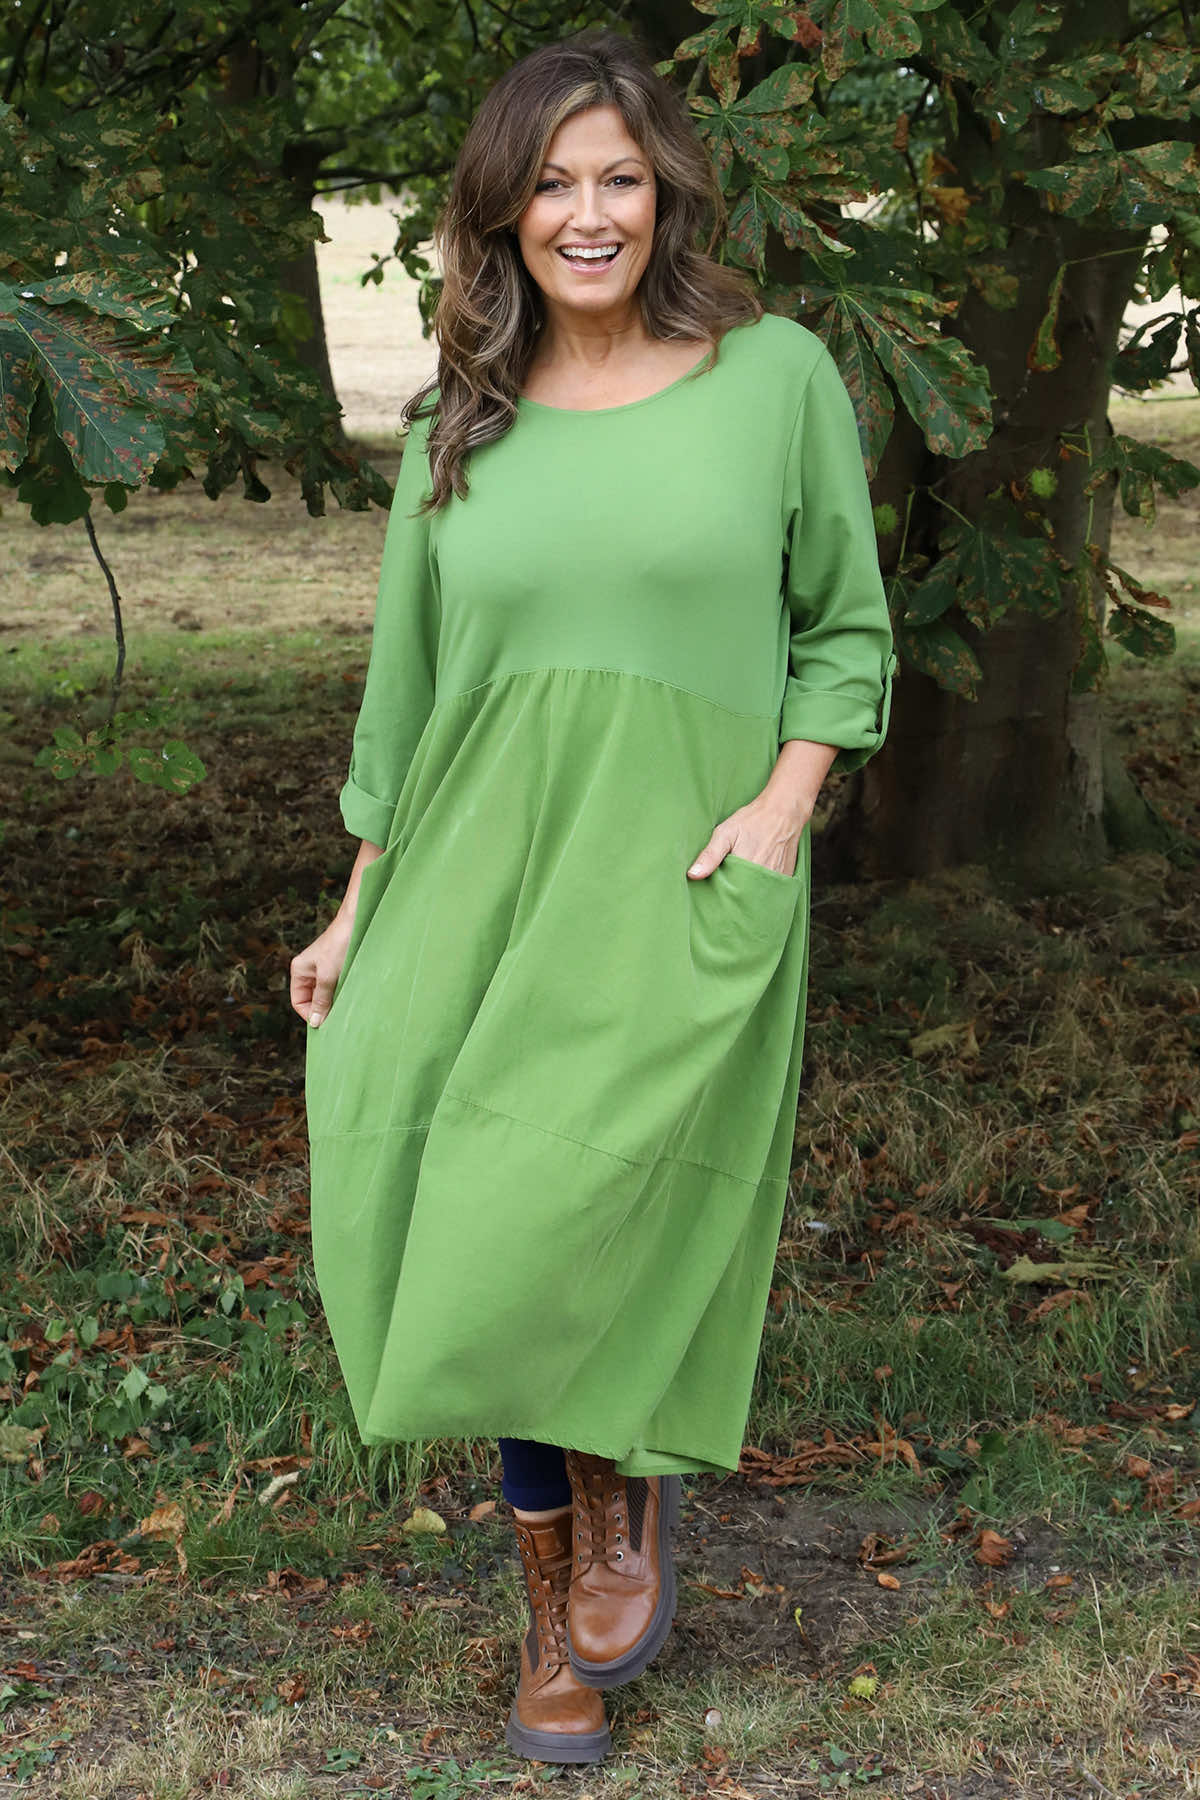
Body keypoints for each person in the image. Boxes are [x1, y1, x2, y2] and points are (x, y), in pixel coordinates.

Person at [290, 26, 895, 1766]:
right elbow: (406, 701)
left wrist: (784, 806)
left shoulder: (773, 377)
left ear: (666, 190)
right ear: (502, 211)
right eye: (551, 182)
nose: (588, 212)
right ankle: (552, 1606)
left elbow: (846, 629)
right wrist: (356, 905)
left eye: (618, 176)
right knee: (480, 1216)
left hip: (676, 873)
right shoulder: (455, 430)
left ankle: (628, 1484)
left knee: (597, 1201)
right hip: (476, 876)